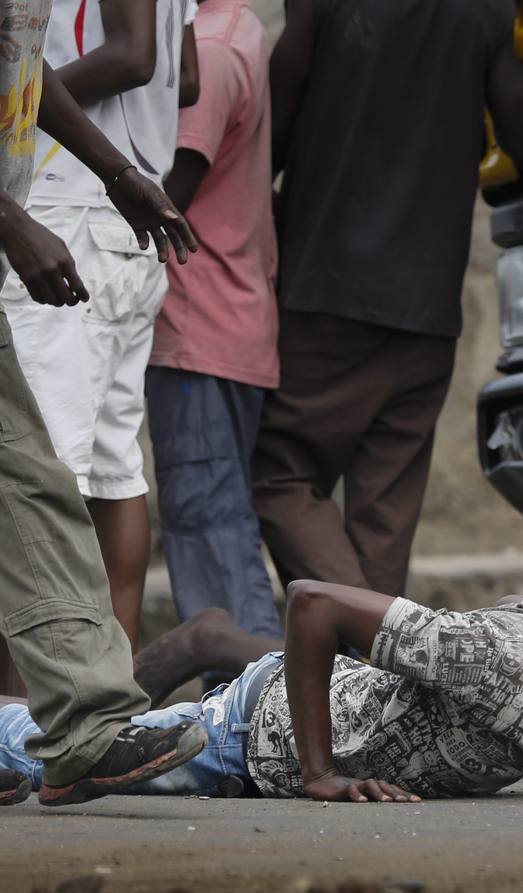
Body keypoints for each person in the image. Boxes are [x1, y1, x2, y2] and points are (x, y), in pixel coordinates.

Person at [253, 0, 523, 597]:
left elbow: (268, 138)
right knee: (384, 514)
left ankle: (369, 641)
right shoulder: (483, 13)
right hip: (428, 309)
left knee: (278, 475)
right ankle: (383, 673)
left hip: (323, 295)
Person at [0, 558, 523, 801]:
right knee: (52, 753)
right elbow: (312, 601)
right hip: (246, 741)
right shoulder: (498, 663)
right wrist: (319, 771)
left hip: (267, 741)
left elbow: (516, 615)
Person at [0, 0, 204, 807]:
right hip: (27, 220)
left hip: (50, 211)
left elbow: (22, 65)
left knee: (33, 478)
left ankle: (83, 726)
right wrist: (13, 221)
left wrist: (116, 170)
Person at [149, 0, 282, 642]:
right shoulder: (240, 29)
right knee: (217, 521)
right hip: (228, 321)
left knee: (208, 526)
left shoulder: (213, 49)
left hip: (197, 327)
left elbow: (166, 198)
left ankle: (252, 710)